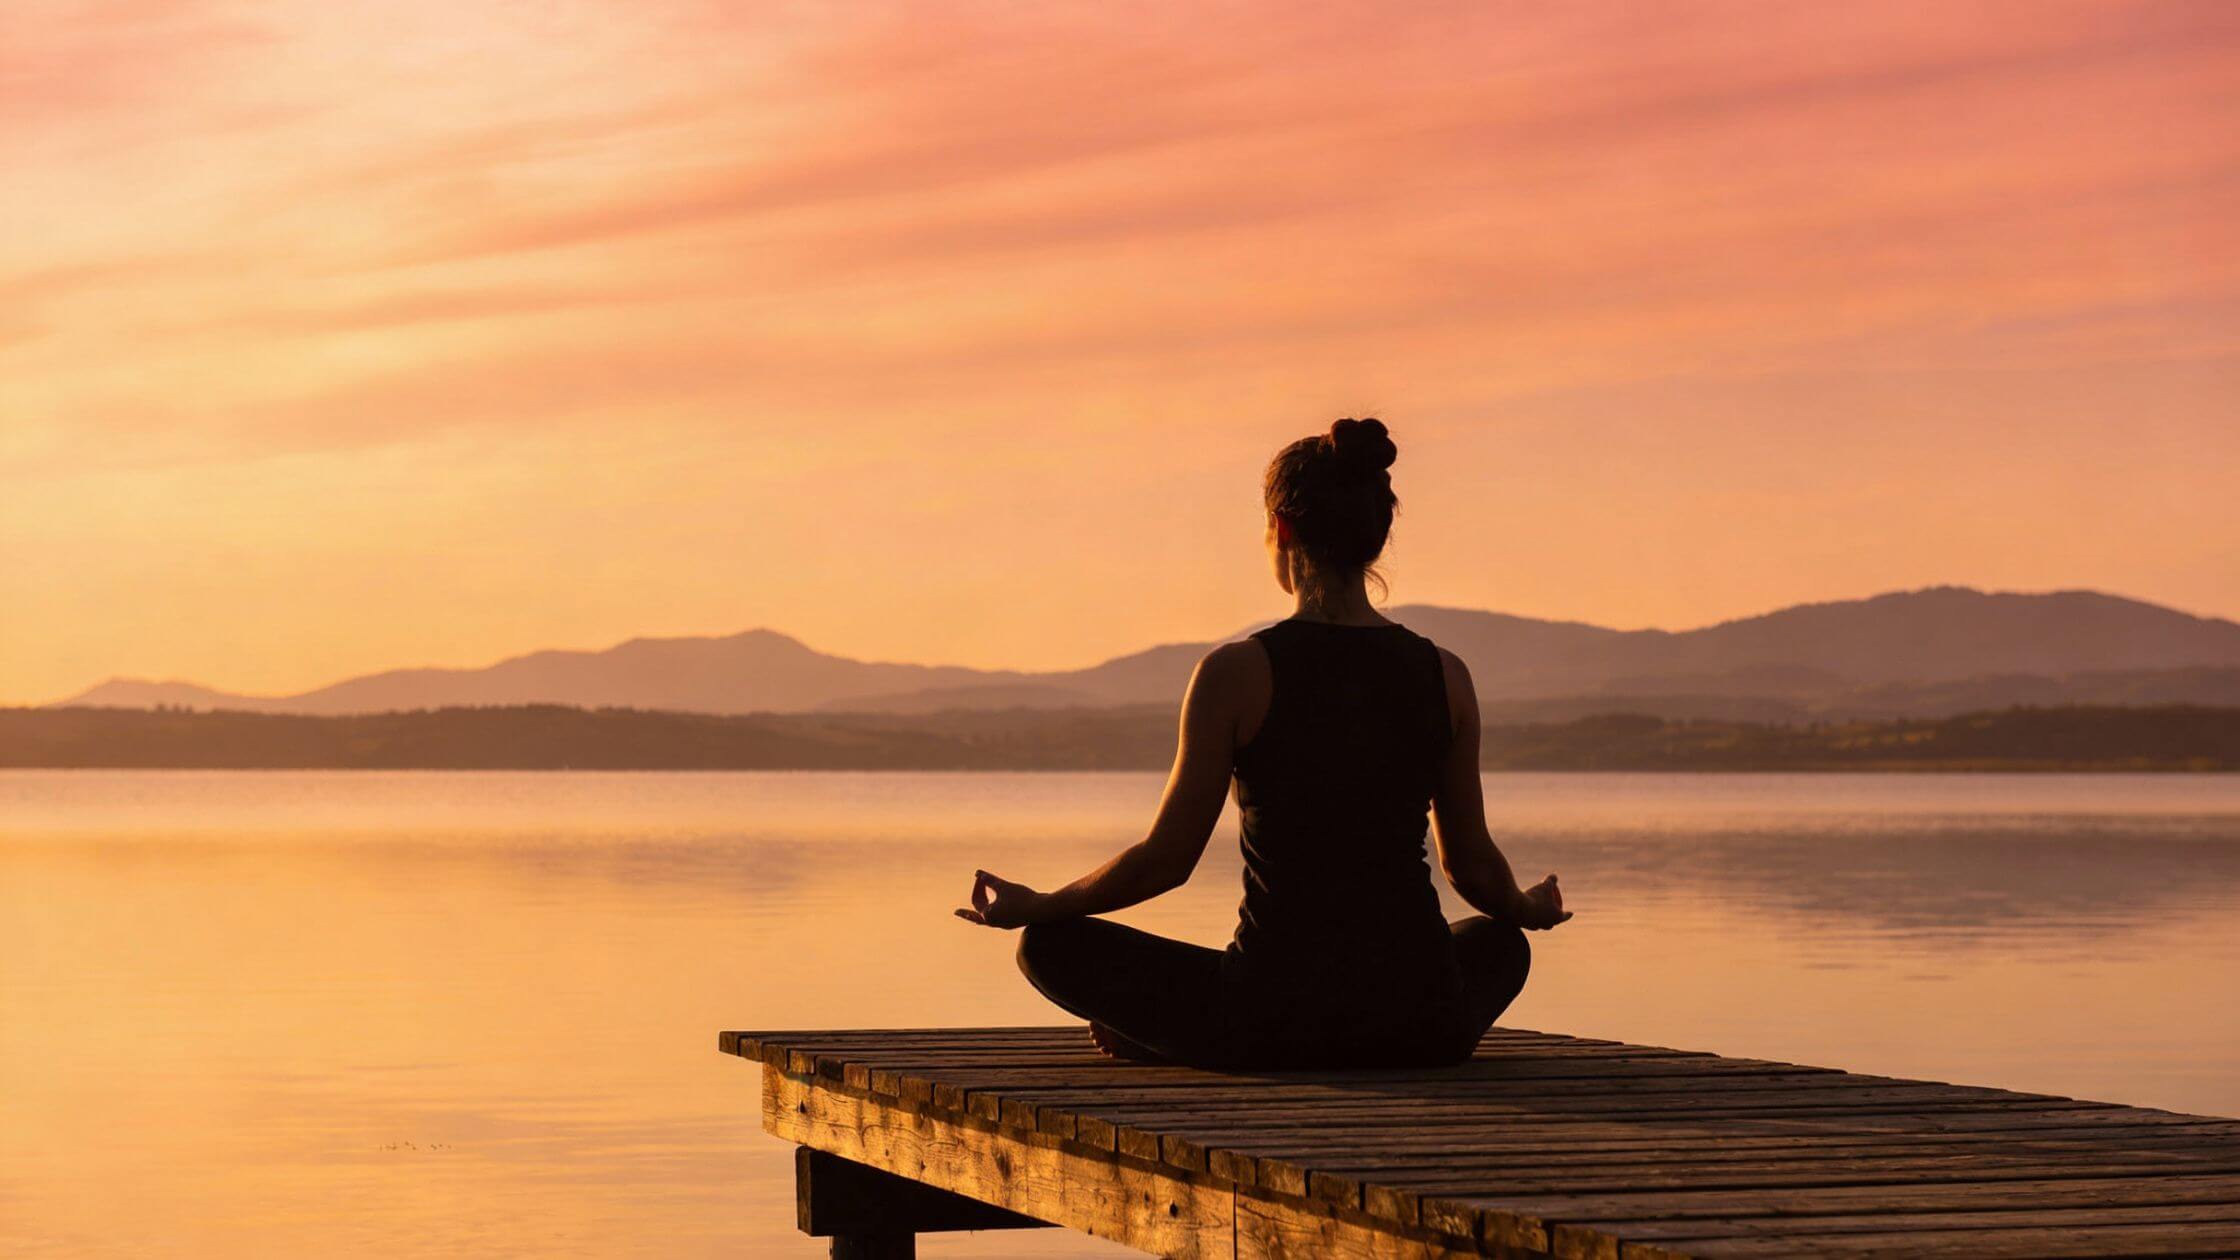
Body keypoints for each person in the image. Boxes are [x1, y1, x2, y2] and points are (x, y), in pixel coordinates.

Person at [955, 417, 1570, 1070]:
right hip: (1421, 1019)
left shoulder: (1236, 674)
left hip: (1271, 1023)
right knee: (1502, 944)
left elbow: (1166, 860)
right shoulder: (1446, 674)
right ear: (1376, 536)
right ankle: (1261, 1035)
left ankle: (1178, 1037)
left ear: (1282, 528)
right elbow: (1471, 869)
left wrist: (1043, 905)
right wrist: (1527, 907)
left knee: (1048, 947)